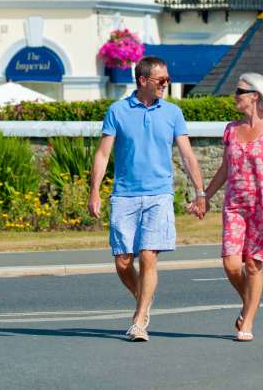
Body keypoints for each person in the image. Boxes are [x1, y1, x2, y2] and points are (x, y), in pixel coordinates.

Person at [88, 56, 208, 342]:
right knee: (122, 261)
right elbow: (103, 153)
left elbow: (187, 155)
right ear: (143, 81)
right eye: (161, 80)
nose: (167, 84)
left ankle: (139, 320)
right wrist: (94, 191)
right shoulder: (117, 111)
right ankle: (145, 296)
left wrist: (200, 192)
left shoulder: (173, 113)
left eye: (168, 79)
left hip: (159, 195)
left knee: (148, 256)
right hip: (124, 195)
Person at [202, 72, 263, 341]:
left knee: (252, 264)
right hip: (235, 205)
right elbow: (225, 169)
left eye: (239, 91)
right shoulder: (230, 130)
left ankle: (248, 320)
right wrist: (204, 196)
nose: (235, 96)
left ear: (255, 95)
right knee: (231, 264)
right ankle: (249, 301)